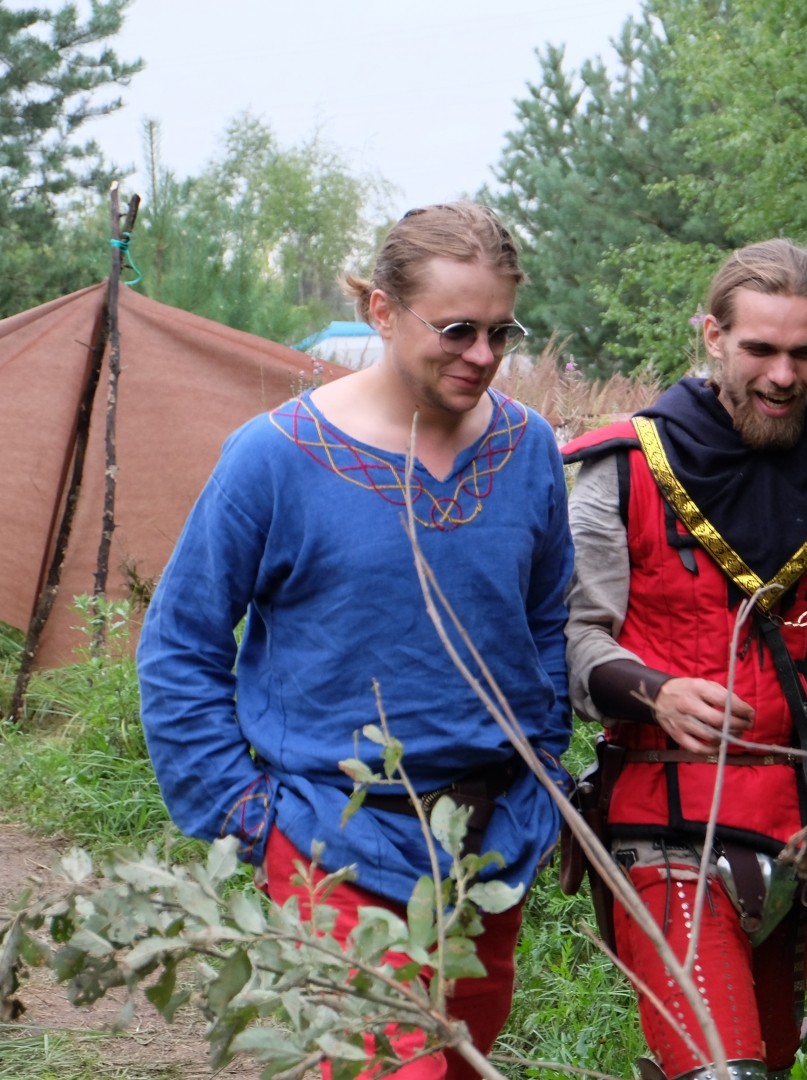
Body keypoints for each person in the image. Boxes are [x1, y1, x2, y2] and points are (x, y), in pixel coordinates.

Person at [136, 202, 573, 1079]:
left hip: (493, 847)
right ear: (381, 310)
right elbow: (180, 645)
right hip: (334, 847)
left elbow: (545, 621)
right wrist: (249, 817)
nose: (482, 357)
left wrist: (546, 766)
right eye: (456, 330)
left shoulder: (528, 449)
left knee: (461, 1066)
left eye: (500, 331)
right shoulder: (273, 457)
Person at [561, 238, 807, 1080]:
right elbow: (570, 639)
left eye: (804, 353)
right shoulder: (623, 470)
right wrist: (654, 692)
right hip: (661, 826)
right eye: (760, 350)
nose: (782, 375)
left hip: (802, 837)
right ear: (712, 336)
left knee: (766, 1068)